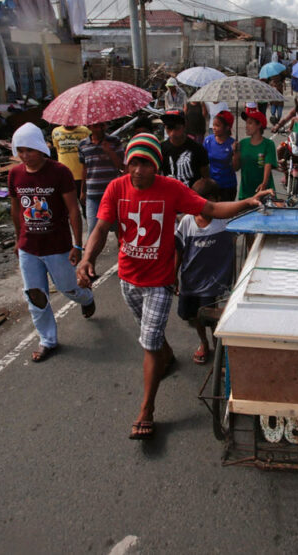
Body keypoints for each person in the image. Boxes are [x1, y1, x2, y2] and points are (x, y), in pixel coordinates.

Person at [75, 134, 270, 440]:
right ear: (127, 163)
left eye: (146, 163)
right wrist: (87, 257)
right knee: (150, 335)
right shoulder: (116, 188)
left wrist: (248, 202)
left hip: (160, 280)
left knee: (149, 342)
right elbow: (100, 227)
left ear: (157, 166)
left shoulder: (172, 189)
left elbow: (212, 209)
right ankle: (166, 354)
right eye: (134, 162)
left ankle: (147, 409)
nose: (139, 170)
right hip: (128, 279)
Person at [8, 123, 95, 362]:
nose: (25, 155)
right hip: (29, 248)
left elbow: (73, 211)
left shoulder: (59, 172)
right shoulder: (15, 174)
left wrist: (77, 244)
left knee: (69, 289)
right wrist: (18, 240)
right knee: (35, 296)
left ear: (41, 148)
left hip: (57, 246)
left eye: (30, 150)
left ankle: (86, 298)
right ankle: (48, 340)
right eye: (21, 150)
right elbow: (16, 211)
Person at [175, 178, 236, 366]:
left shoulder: (226, 221)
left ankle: (220, 348)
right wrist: (173, 276)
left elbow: (248, 231)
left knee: (216, 318)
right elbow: (178, 250)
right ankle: (204, 342)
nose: (203, 206)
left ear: (217, 200)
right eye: (198, 201)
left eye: (208, 201)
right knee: (196, 316)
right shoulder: (187, 222)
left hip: (217, 284)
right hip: (191, 282)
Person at [78, 121, 123, 240]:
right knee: (93, 231)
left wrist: (109, 152)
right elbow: (85, 169)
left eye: (101, 125)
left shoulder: (115, 141)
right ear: (89, 127)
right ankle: (90, 258)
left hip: (113, 195)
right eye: (95, 125)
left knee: (120, 230)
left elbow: (121, 166)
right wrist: (83, 191)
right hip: (93, 195)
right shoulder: (83, 145)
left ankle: (122, 258)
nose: (99, 128)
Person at [159, 109, 209, 188]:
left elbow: (206, 177)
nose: (173, 133)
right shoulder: (161, 149)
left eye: (177, 128)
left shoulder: (198, 149)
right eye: (169, 128)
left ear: (185, 126)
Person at [234, 110, 276, 199]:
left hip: (264, 191)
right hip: (245, 193)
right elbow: (236, 168)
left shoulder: (268, 144)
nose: (246, 126)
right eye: (246, 123)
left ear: (259, 125)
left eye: (250, 123)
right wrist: (235, 152)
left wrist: (264, 184)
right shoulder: (242, 144)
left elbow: (267, 165)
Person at [50, 123, 91, 203]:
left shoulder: (85, 131)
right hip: (64, 176)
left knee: (85, 204)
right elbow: (57, 150)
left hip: (82, 176)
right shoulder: (55, 131)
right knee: (68, 207)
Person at [203, 111, 238, 201]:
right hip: (212, 185)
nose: (214, 128)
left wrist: (236, 152)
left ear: (227, 128)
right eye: (213, 125)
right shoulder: (208, 141)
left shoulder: (232, 143)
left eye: (217, 126)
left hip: (228, 186)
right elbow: (203, 162)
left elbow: (236, 168)